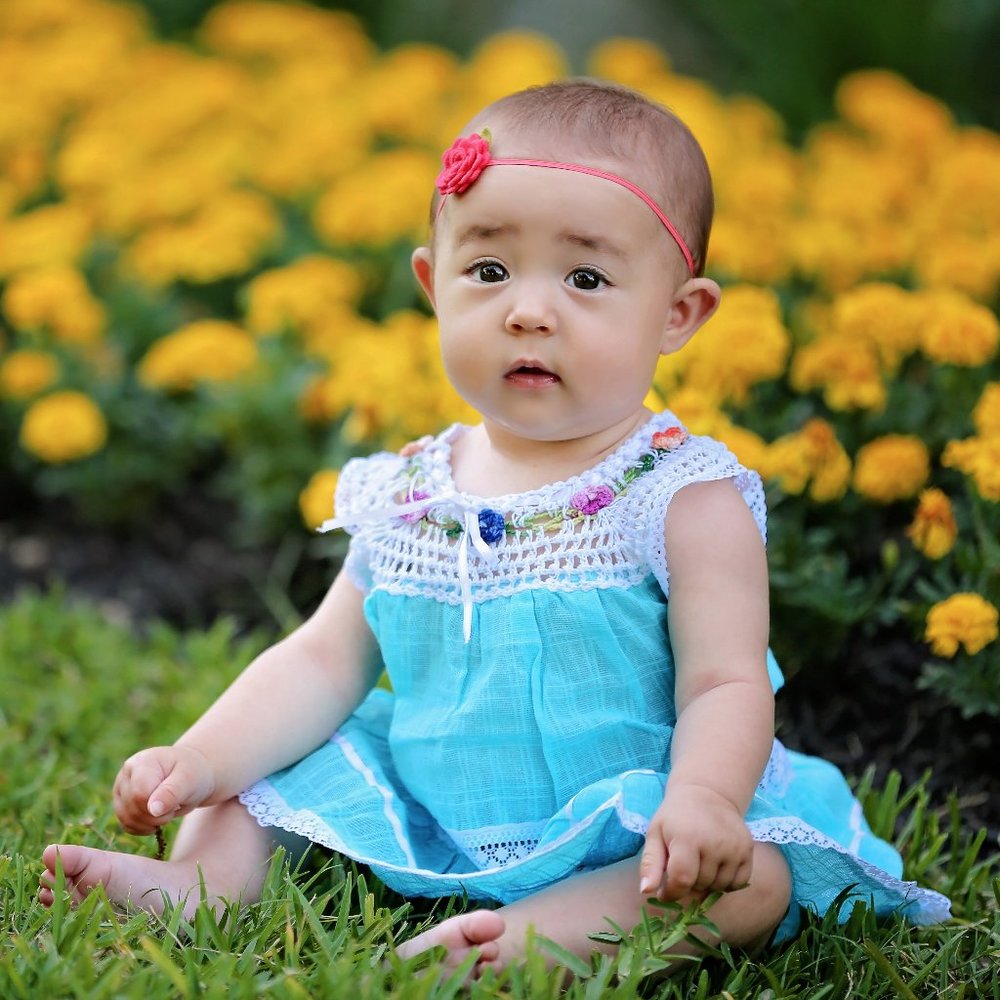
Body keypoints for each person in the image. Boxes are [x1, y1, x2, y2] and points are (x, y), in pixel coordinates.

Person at [40, 79, 950, 975]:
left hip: (632, 813)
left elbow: (723, 681)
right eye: (489, 270)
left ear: (679, 314)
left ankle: (532, 940)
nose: (527, 309)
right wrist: (198, 759)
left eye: (587, 277)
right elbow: (323, 660)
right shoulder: (408, 491)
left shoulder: (681, 498)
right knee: (275, 760)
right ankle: (197, 884)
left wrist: (704, 799)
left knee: (748, 881)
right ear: (434, 286)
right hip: (436, 798)